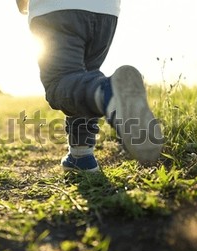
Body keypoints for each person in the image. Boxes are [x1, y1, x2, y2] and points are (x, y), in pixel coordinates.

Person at [16, 0, 163, 172]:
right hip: (106, 13)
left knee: (60, 81)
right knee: (84, 79)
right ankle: (81, 155)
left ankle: (108, 93)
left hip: (56, 10)